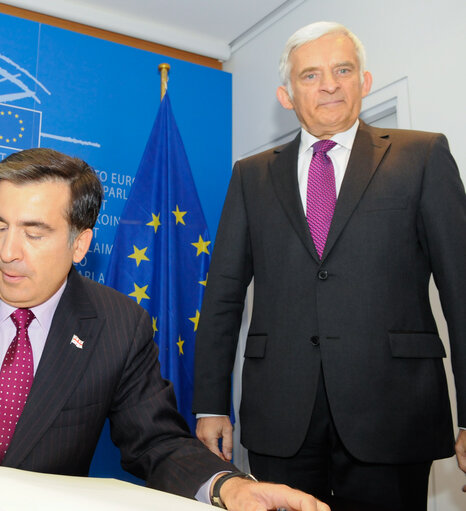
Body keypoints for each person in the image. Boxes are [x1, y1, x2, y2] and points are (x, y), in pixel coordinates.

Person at [0, 148, 327, 510]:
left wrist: (230, 487)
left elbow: (157, 443)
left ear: (81, 243)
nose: (8, 252)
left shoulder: (120, 326)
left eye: (35, 232)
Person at [193, 21, 466, 511]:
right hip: (281, 415)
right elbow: (223, 297)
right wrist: (211, 404)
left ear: (364, 81)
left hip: (394, 411)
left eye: (343, 70)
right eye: (311, 75)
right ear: (286, 94)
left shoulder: (422, 156)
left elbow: (462, 292)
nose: (330, 84)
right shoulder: (251, 177)